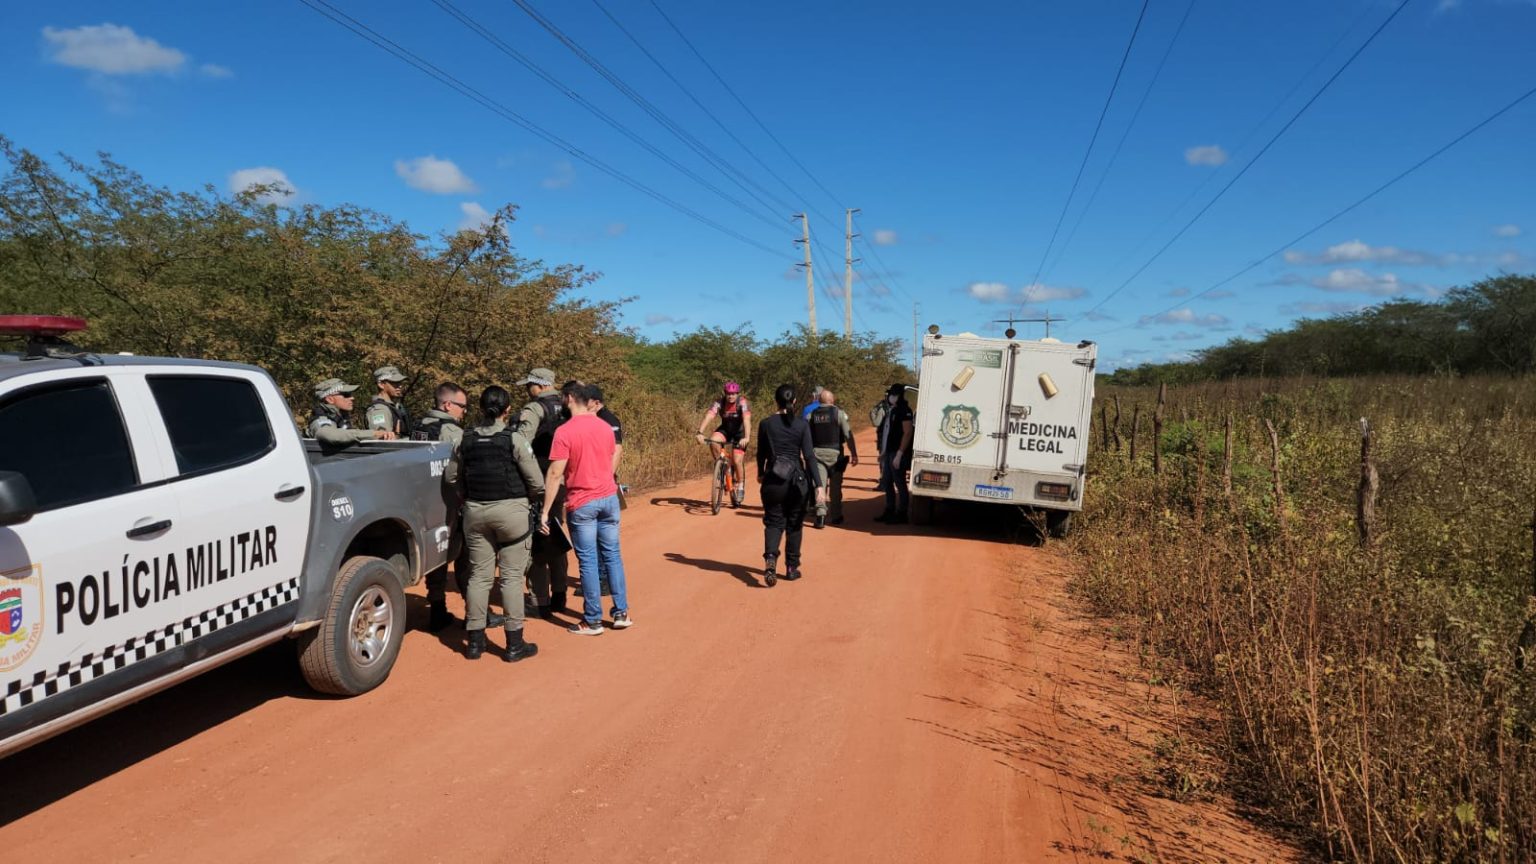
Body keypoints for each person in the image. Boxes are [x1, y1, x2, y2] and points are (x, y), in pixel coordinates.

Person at [446, 385, 544, 663]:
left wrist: (467, 495)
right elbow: (536, 482)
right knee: (512, 577)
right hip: (511, 512)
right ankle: (514, 644)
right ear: (508, 410)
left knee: (479, 577)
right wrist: (527, 500)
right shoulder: (515, 440)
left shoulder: (463, 440)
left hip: (475, 513)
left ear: (479, 409)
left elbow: (451, 478)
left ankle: (475, 643)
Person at [538, 384, 631, 635]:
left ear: (569, 399)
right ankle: (621, 612)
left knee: (588, 561)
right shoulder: (604, 425)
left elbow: (556, 472)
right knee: (612, 555)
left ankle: (593, 620)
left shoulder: (564, 431)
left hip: (583, 501)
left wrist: (546, 510)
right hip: (609, 498)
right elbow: (612, 457)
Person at [415, 382, 477, 632]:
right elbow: (464, 465)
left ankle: (438, 608)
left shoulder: (419, 426)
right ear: (448, 404)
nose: (464, 411)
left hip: (425, 502)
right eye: (462, 406)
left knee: (437, 556)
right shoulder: (451, 431)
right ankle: (475, 613)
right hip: (451, 501)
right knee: (466, 558)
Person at [517, 368, 572, 617]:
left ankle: (540, 599)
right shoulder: (569, 405)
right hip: (562, 479)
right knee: (556, 533)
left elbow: (521, 444)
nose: (528, 389)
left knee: (536, 539)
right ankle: (560, 591)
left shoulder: (534, 409)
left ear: (538, 386)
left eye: (529, 385)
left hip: (538, 480)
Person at [756, 384, 822, 586]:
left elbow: (761, 454)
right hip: (797, 482)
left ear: (775, 401)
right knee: (794, 525)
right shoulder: (802, 425)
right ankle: (792, 568)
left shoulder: (766, 424)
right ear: (794, 401)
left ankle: (770, 558)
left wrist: (760, 473)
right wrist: (819, 485)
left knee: (774, 523)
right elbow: (809, 456)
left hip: (773, 481)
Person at [807, 388, 858, 528]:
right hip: (836, 454)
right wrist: (854, 454)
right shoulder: (839, 414)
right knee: (836, 487)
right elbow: (848, 435)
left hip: (817, 454)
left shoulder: (811, 415)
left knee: (820, 485)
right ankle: (836, 516)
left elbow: (805, 435)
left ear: (819, 400)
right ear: (832, 401)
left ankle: (821, 516)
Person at [695, 381, 751, 501]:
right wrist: (700, 432)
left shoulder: (742, 403)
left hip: (739, 434)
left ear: (737, 394)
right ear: (725, 394)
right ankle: (722, 466)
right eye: (728, 394)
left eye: (733, 394)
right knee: (713, 441)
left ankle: (740, 485)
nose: (731, 396)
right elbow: (709, 415)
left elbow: (746, 420)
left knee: (736, 460)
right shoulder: (719, 402)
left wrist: (746, 437)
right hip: (725, 430)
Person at [307, 378, 396, 445]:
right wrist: (373, 434)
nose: (352, 398)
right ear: (330, 399)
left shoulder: (340, 417)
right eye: (346, 395)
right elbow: (328, 435)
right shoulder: (321, 419)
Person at [876, 383, 915, 523]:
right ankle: (889, 509)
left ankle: (902, 513)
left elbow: (908, 432)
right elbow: (887, 432)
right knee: (886, 481)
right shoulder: (893, 410)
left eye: (892, 394)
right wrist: (884, 452)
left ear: (898, 395)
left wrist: (899, 454)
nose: (890, 397)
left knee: (899, 482)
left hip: (899, 453)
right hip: (889, 452)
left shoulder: (905, 410)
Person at [366, 365, 413, 438]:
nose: (400, 386)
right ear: (381, 384)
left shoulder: (394, 406)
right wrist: (397, 435)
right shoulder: (379, 410)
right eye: (395, 383)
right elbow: (383, 442)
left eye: (400, 382)